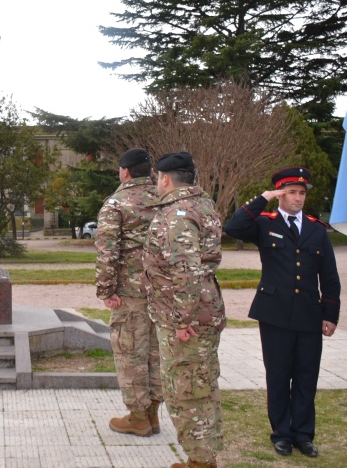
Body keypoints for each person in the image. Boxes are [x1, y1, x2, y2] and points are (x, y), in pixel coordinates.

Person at [223, 167, 341, 458]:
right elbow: (233, 227)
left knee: (306, 375)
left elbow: (329, 275)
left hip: (309, 314)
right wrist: (262, 198)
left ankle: (304, 435)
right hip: (274, 312)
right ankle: (281, 434)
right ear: (279, 194)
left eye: (302, 193)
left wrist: (331, 314)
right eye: (291, 192)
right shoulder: (265, 223)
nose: (298, 198)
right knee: (278, 375)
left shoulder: (316, 228)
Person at [143, 152, 226, 468]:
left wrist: (181, 319)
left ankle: (200, 460)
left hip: (188, 317)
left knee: (184, 389)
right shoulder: (203, 205)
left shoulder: (177, 215)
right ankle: (206, 455)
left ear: (164, 179)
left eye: (157, 179)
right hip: (203, 309)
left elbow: (186, 270)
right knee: (202, 382)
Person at [94, 148, 163, 436]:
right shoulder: (165, 199)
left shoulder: (117, 202)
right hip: (161, 292)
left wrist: (106, 289)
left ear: (125, 171)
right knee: (155, 353)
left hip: (130, 293)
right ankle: (152, 414)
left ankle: (138, 417)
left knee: (131, 352)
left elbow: (107, 251)